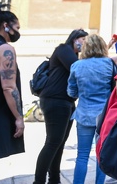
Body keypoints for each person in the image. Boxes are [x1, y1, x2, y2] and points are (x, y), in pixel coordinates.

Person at [34, 28, 88, 184]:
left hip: (67, 102)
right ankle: (38, 181)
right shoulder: (63, 49)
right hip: (55, 100)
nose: (85, 43)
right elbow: (77, 68)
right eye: (83, 40)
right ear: (74, 39)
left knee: (59, 143)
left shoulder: (75, 55)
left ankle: (54, 180)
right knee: (52, 142)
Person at [67, 34, 115, 184]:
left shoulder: (76, 66)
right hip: (104, 116)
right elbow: (114, 89)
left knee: (82, 155)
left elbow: (71, 92)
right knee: (101, 154)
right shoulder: (109, 63)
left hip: (84, 115)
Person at [0, 1, 24, 169]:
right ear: (6, 26)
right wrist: (18, 118)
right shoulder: (5, 50)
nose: (18, 31)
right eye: (17, 27)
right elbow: (9, 87)